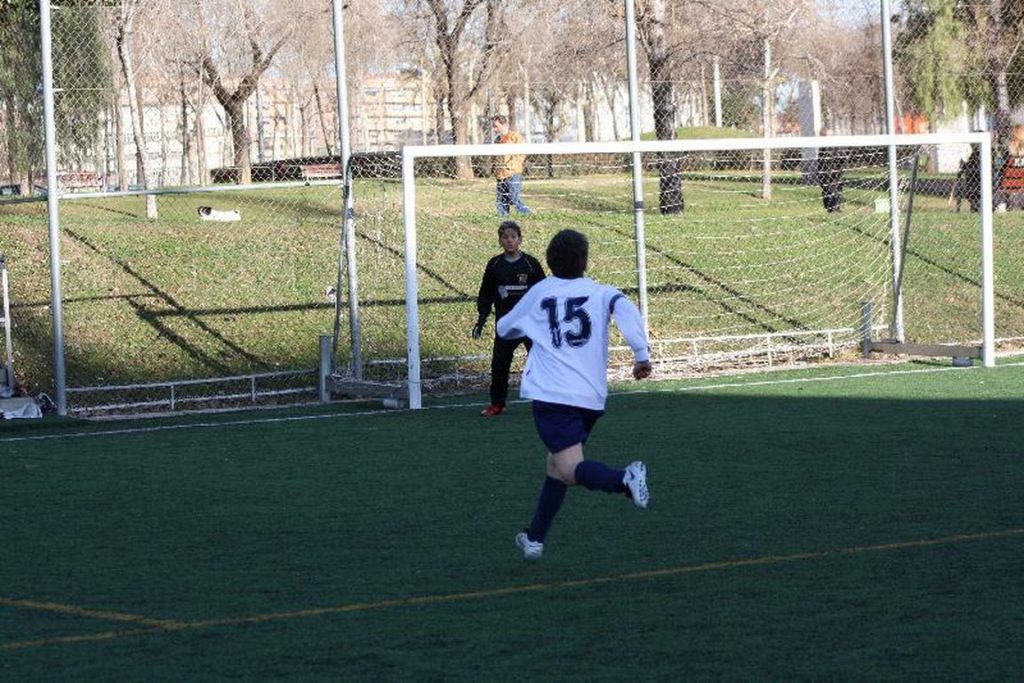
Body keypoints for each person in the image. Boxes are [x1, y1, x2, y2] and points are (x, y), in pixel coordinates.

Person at [496, 229, 653, 560]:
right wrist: (641, 354)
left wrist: (529, 324)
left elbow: (504, 328)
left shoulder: (541, 291)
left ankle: (625, 479)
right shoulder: (602, 292)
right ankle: (534, 538)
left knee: (569, 469)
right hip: (590, 398)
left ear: (550, 261)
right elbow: (625, 309)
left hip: (553, 396)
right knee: (557, 465)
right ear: (585, 261)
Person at [473, 221, 546, 417]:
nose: (509, 241)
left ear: (520, 240)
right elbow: (486, 292)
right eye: (505, 237)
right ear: (500, 241)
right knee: (499, 364)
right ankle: (497, 404)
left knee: (541, 362)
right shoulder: (495, 265)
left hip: (530, 324)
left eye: (513, 237)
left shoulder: (531, 264)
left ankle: (548, 401)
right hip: (507, 324)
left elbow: (544, 291)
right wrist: (482, 316)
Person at [492, 114, 532, 216]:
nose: (494, 129)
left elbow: (521, 154)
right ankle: (503, 217)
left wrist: (510, 166)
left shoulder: (515, 137)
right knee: (501, 200)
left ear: (504, 125)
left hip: (513, 173)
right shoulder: (497, 140)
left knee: (514, 197)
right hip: (500, 174)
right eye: (493, 126)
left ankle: (527, 214)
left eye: (496, 126)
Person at [817, 133, 845, 213]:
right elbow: (821, 163)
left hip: (837, 172)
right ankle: (830, 208)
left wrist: (838, 170)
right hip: (826, 174)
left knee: (838, 189)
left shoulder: (837, 147)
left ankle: (836, 207)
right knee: (828, 190)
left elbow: (843, 160)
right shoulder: (823, 148)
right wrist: (823, 173)